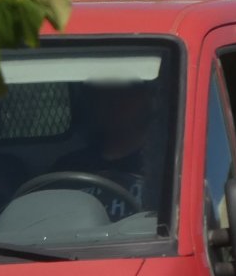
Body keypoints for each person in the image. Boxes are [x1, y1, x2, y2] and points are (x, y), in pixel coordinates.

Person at [55, 82, 162, 219]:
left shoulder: (162, 167)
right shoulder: (66, 168)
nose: (114, 102)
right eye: (102, 94)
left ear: (149, 99)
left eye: (126, 93)